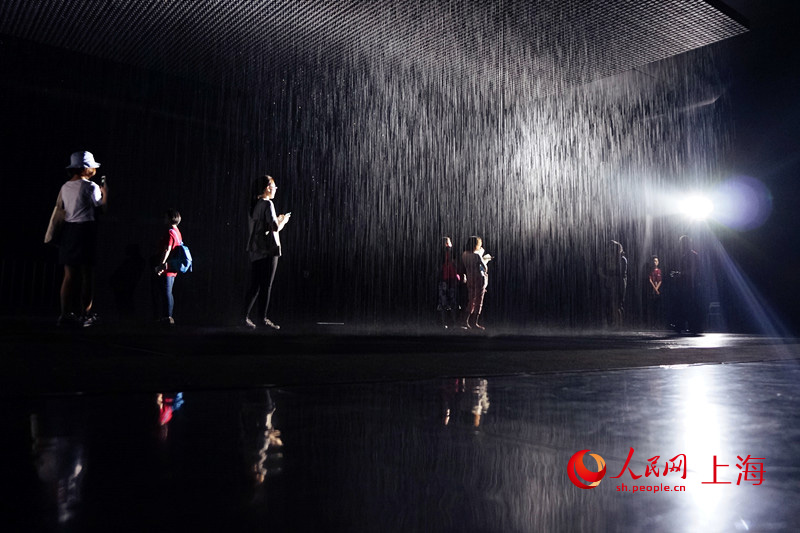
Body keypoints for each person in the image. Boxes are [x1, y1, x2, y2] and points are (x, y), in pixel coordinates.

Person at [56, 151, 107, 327]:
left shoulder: (64, 186)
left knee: (69, 275)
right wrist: (106, 193)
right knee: (87, 275)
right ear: (86, 168)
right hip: (85, 231)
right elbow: (101, 207)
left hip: (69, 231)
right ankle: (86, 314)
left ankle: (64, 314)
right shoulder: (91, 186)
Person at [244, 175, 290, 329]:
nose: (275, 189)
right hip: (268, 249)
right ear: (268, 188)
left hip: (255, 249)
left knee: (255, 285)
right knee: (266, 285)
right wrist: (282, 220)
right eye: (274, 187)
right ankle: (262, 319)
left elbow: (262, 227)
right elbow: (274, 227)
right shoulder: (267, 203)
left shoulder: (254, 205)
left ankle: (243, 317)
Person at [154, 208, 183, 325]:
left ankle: (167, 317)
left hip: (168, 266)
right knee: (168, 291)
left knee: (166, 292)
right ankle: (167, 316)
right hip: (173, 265)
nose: (164, 219)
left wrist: (161, 265)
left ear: (170, 218)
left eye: (166, 217)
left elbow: (167, 249)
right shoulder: (177, 232)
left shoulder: (170, 232)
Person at [671, 235, 701, 333]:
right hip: (687, 284)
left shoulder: (691, 256)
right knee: (685, 305)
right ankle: (686, 325)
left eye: (682, 244)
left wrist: (679, 274)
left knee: (688, 305)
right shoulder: (687, 256)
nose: (681, 246)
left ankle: (690, 326)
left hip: (690, 285)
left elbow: (693, 271)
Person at [460, 235, 490, 330]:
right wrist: (485, 259)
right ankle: (474, 323)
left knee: (471, 300)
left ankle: (465, 321)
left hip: (470, 279)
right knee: (478, 301)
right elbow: (485, 268)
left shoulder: (464, 254)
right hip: (479, 279)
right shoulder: (477, 256)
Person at [601, 240, 627, 328]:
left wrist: (606, 275)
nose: (611, 251)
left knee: (617, 305)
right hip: (613, 284)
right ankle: (615, 323)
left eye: (613, 249)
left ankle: (619, 324)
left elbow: (620, 273)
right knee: (613, 304)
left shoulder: (622, 259)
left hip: (619, 284)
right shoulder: (614, 260)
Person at [437, 236, 460, 328]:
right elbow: (455, 266)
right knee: (452, 302)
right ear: (447, 244)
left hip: (444, 280)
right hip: (450, 280)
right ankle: (453, 323)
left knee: (444, 303)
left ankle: (444, 323)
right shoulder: (450, 254)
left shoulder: (440, 255)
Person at [645, 255, 663, 329]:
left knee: (657, 308)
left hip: (657, 292)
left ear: (658, 262)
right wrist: (655, 289)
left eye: (656, 261)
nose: (654, 262)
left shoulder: (659, 271)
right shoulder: (650, 271)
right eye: (653, 261)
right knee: (651, 308)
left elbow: (660, 281)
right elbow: (650, 280)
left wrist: (656, 289)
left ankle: (657, 324)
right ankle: (651, 324)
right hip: (651, 291)